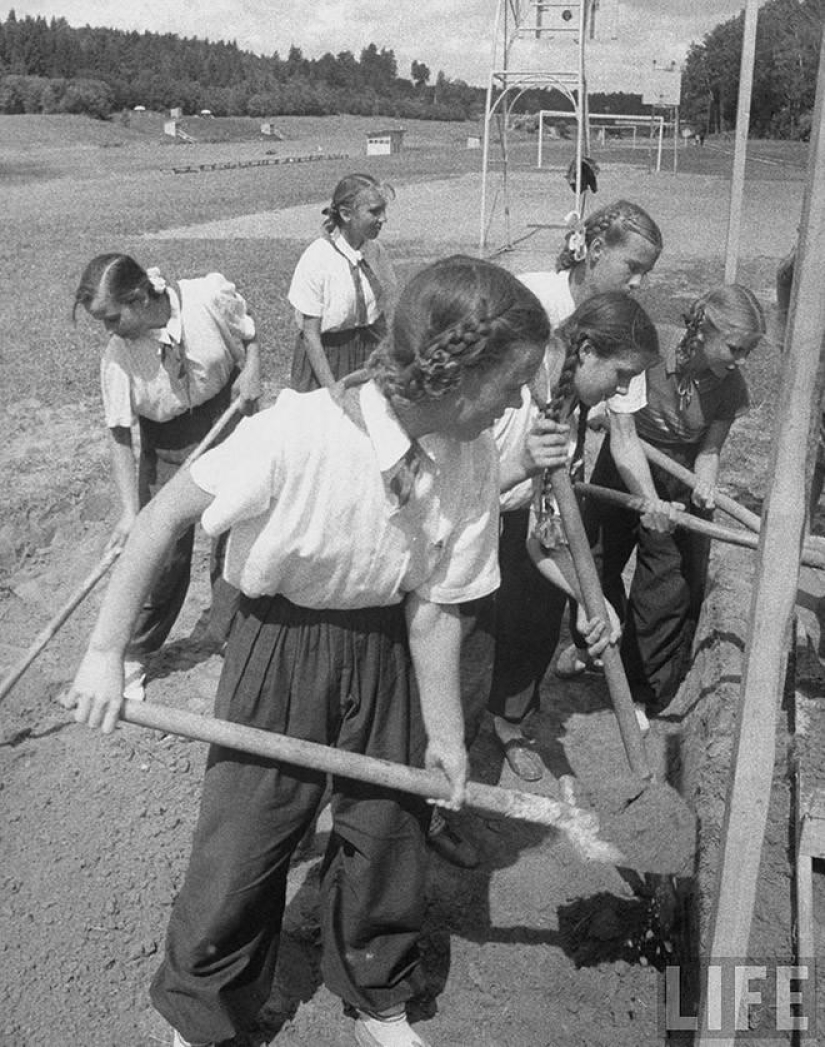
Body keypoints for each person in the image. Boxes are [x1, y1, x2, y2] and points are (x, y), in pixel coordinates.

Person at [64, 255, 555, 1047]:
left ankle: (375, 994)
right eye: (512, 382)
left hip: (389, 649)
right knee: (246, 839)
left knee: (391, 832)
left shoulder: (468, 459)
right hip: (280, 645)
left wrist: (445, 734)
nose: (519, 400)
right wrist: (102, 653)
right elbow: (159, 520)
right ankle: (204, 1012)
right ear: (459, 376)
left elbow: (433, 605)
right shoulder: (295, 432)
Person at [488, 199, 667, 781]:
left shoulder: (593, 374)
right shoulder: (527, 327)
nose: (640, 281)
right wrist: (520, 467)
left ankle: (507, 720)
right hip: (477, 513)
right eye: (631, 265)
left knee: (532, 617)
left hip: (537, 494)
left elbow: (621, 433)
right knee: (469, 637)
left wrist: (596, 607)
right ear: (594, 250)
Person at [564, 284, 766, 716]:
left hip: (682, 477)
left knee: (665, 588)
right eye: (735, 347)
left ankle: (640, 690)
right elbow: (624, 433)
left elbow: (709, 451)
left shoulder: (731, 388)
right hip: (627, 460)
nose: (742, 360)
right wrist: (647, 498)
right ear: (706, 331)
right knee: (596, 557)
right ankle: (591, 648)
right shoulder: (651, 355)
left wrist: (703, 486)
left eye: (748, 351)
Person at [72, 254, 261, 701]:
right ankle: (132, 655)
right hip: (168, 443)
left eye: (112, 317)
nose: (108, 329)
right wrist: (129, 511)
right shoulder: (118, 357)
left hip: (228, 423)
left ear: (139, 298)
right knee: (162, 554)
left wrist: (252, 367)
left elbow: (249, 331)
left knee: (236, 535)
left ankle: (229, 632)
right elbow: (120, 435)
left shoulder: (207, 296)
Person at [288, 172, 397, 391]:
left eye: (383, 210)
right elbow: (311, 336)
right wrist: (333, 390)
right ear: (347, 214)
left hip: (369, 353)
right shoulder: (318, 257)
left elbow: (385, 311)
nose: (383, 218)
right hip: (328, 360)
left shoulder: (375, 252)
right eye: (374, 211)